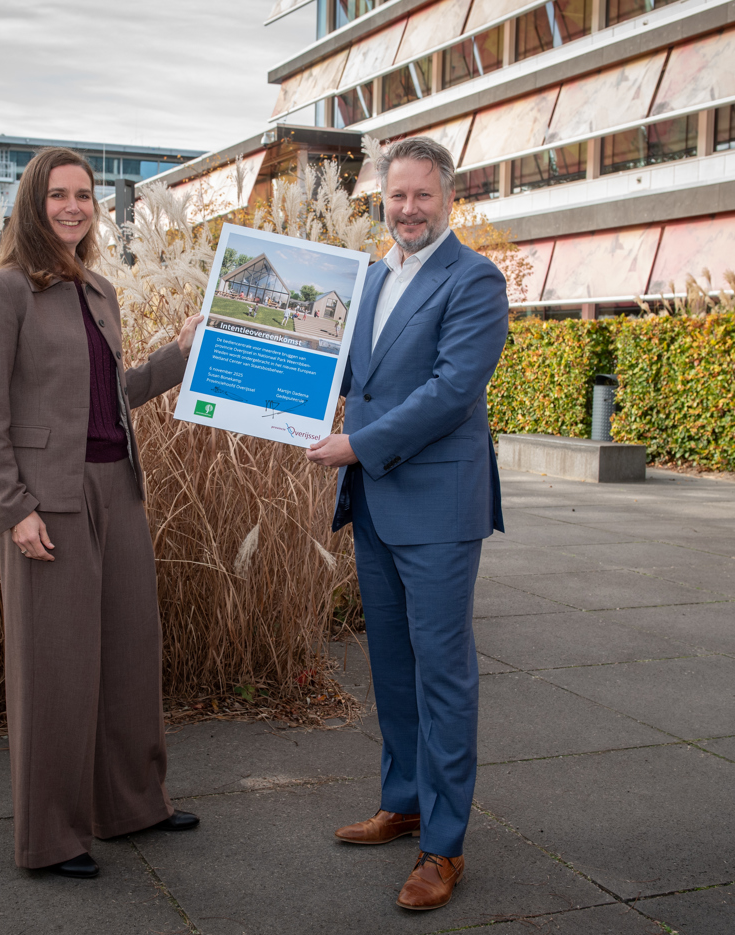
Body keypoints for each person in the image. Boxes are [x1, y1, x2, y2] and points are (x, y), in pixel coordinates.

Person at [0, 147, 204, 880]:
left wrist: (178, 354)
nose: (73, 206)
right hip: (50, 499)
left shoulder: (98, 289)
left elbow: (108, 395)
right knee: (57, 668)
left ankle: (133, 803)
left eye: (84, 195)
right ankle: (50, 837)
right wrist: (13, 508)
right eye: (58, 194)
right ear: (33, 204)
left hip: (117, 487)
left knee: (131, 651)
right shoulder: (4, 291)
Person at [306, 136, 509, 911]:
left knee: (443, 673)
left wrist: (356, 444)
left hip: (437, 507)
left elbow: (451, 391)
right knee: (391, 665)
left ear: (448, 198)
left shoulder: (475, 279)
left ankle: (444, 846)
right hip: (375, 501)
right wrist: (229, 341)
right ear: (382, 200)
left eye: (423, 194)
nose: (409, 208)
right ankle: (404, 801)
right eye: (397, 195)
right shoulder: (367, 277)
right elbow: (339, 368)